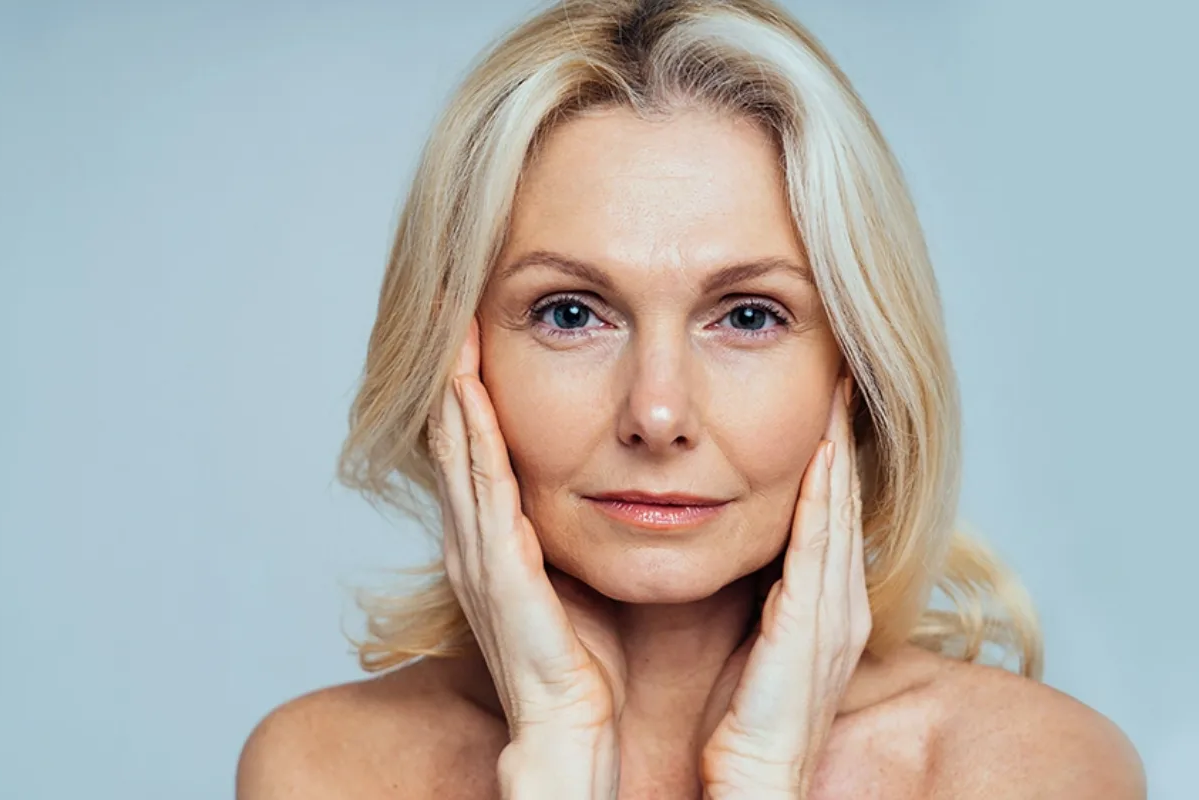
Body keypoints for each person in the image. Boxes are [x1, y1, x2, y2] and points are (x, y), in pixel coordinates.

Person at [236, 1, 1144, 797]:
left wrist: (759, 781)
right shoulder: (323, 769)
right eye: (570, 313)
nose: (658, 413)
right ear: (454, 358)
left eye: (749, 315)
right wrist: (555, 751)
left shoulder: (1029, 771)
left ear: (860, 364)